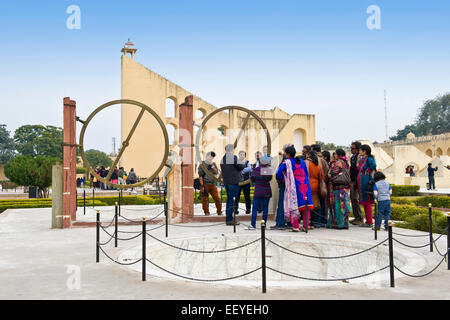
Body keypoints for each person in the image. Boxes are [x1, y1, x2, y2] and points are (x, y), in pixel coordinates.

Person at [276, 146, 313, 232]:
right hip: (305, 184)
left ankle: (295, 226)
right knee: (305, 206)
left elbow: (278, 173)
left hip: (294, 185)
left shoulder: (287, 162)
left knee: (294, 205)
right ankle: (305, 226)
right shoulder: (302, 161)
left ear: (288, 154)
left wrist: (285, 179)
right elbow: (306, 174)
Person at [220, 144, 246, 226]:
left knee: (229, 200)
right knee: (233, 201)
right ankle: (229, 219)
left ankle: (229, 218)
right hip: (234, 182)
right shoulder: (232, 157)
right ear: (232, 150)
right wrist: (243, 162)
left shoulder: (223, 159)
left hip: (227, 182)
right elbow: (241, 166)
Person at [328, 149, 351, 229]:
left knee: (338, 206)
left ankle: (339, 224)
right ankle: (344, 223)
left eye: (335, 154)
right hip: (345, 188)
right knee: (344, 206)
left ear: (337, 155)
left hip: (338, 188)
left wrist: (330, 171)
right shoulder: (346, 162)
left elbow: (333, 173)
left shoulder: (338, 162)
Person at [247, 156, 273, 230]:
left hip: (258, 191)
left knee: (255, 208)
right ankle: (263, 224)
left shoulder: (255, 170)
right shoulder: (268, 170)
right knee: (265, 208)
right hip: (267, 191)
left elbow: (252, 179)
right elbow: (270, 178)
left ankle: (253, 225)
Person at [270, 144, 292, 230]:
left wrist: (281, 179)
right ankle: (290, 222)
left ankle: (280, 223)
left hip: (284, 185)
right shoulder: (297, 161)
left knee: (282, 204)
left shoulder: (285, 161)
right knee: (291, 204)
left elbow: (278, 172)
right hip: (292, 186)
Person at [357, 145, 376, 227]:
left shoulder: (369, 159)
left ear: (364, 151)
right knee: (364, 203)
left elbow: (373, 165)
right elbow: (359, 168)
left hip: (366, 182)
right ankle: (368, 220)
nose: (359, 152)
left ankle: (369, 221)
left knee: (367, 202)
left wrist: (368, 170)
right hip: (361, 182)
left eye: (360, 150)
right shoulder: (362, 159)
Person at [310, 144, 329, 228]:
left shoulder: (314, 161)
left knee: (316, 204)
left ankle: (316, 221)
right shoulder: (323, 160)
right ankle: (322, 220)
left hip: (316, 184)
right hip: (321, 184)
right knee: (321, 203)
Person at [198, 152, 222, 216]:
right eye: (210, 156)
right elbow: (200, 176)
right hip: (205, 183)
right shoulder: (202, 164)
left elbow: (216, 172)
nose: (211, 158)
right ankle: (206, 212)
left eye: (212, 157)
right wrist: (202, 185)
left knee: (217, 198)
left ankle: (219, 211)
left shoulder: (213, 164)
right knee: (204, 199)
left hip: (213, 184)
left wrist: (212, 166)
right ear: (207, 156)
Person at [305, 150, 325, 228]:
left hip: (307, 185)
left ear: (309, 155)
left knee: (308, 204)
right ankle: (317, 222)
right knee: (317, 204)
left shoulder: (306, 163)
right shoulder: (318, 166)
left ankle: (311, 221)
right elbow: (322, 177)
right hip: (316, 186)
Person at [349, 141, 364, 225]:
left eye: (353, 148)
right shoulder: (353, 157)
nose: (351, 150)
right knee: (353, 198)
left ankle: (359, 217)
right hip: (353, 180)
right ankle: (356, 217)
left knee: (355, 198)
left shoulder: (359, 158)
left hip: (357, 180)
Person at [234, 151, 252, 215]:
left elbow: (250, 169)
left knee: (247, 196)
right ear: (239, 155)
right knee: (237, 197)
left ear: (245, 155)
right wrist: (244, 170)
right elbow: (235, 170)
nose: (242, 156)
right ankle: (235, 210)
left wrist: (241, 171)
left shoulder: (247, 162)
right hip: (238, 182)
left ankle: (248, 210)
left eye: (243, 154)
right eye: (240, 154)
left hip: (246, 182)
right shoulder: (236, 162)